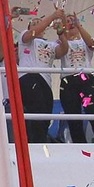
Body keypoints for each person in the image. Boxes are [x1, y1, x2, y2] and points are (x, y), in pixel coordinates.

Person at [56, 12, 94, 144]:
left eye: (73, 20)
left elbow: (92, 45)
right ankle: (80, 146)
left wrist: (78, 26)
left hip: (86, 78)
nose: (71, 23)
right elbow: (59, 51)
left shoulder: (85, 40)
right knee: (73, 117)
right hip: (68, 79)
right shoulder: (59, 41)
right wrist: (61, 29)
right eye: (68, 21)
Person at [16, 9, 62, 144]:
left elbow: (63, 51)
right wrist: (52, 17)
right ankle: (34, 143)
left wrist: (61, 32)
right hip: (29, 76)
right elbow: (33, 33)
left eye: (39, 22)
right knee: (35, 112)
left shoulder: (51, 44)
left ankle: (41, 142)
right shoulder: (25, 38)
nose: (37, 24)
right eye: (34, 23)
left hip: (46, 82)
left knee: (45, 114)